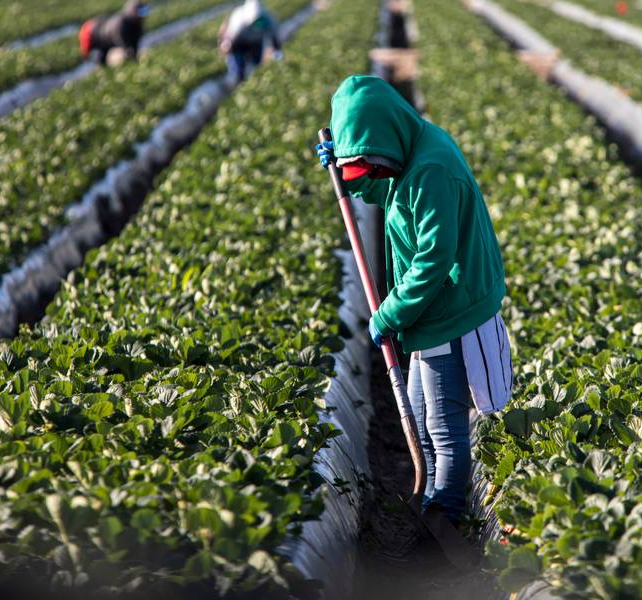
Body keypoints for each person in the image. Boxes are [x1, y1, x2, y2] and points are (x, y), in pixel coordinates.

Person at [315, 76, 513, 524]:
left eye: (368, 164)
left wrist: (389, 313)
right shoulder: (410, 151)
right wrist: (347, 173)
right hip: (428, 310)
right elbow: (387, 188)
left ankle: (444, 515)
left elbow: (433, 261)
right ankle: (430, 499)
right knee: (421, 418)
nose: (370, 174)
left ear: (387, 141)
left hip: (449, 309)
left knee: (444, 428)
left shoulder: (431, 170)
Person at [218, 0, 283, 83]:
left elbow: (274, 35)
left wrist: (276, 48)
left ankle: (253, 80)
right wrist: (226, 46)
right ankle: (237, 80)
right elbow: (230, 37)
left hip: (256, 42)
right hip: (238, 43)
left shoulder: (267, 18)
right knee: (237, 65)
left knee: (257, 63)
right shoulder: (239, 17)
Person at [79, 0, 150, 66]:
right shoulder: (121, 24)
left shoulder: (137, 25)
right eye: (140, 14)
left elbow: (135, 44)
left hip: (105, 39)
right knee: (89, 59)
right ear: (133, 13)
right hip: (91, 33)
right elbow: (122, 42)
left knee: (103, 59)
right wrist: (130, 53)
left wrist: (134, 56)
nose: (143, 17)